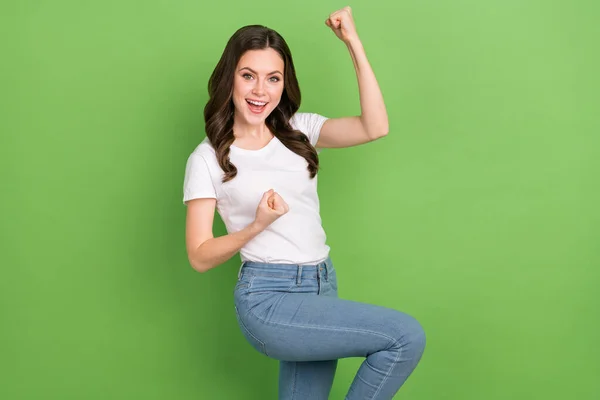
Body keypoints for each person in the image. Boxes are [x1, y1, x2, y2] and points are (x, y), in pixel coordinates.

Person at [183, 7, 426, 399]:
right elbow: (199, 255)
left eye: (273, 78)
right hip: (267, 299)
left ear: (284, 84)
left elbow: (375, 126)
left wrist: (353, 43)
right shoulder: (208, 158)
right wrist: (256, 226)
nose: (260, 91)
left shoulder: (299, 129)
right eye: (248, 76)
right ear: (230, 78)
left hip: (320, 284)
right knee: (403, 338)